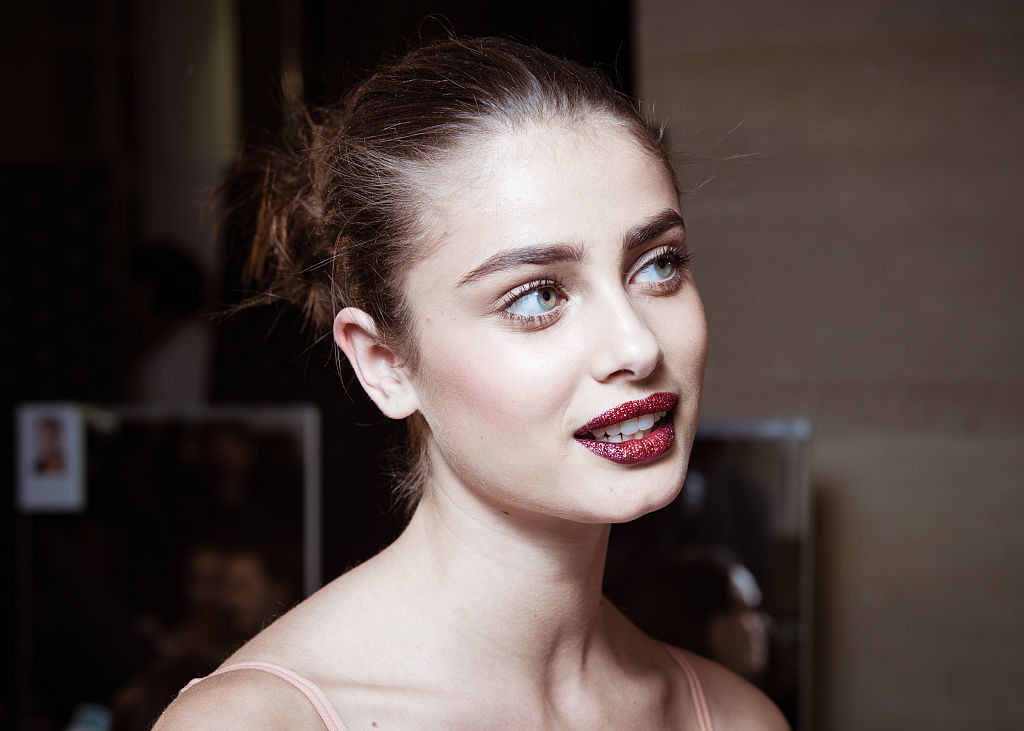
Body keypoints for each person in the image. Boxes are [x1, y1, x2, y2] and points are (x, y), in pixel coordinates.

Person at [156, 37, 788, 729]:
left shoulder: (737, 719)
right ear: (385, 363)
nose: (637, 346)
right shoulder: (258, 722)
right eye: (538, 296)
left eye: (659, 264)